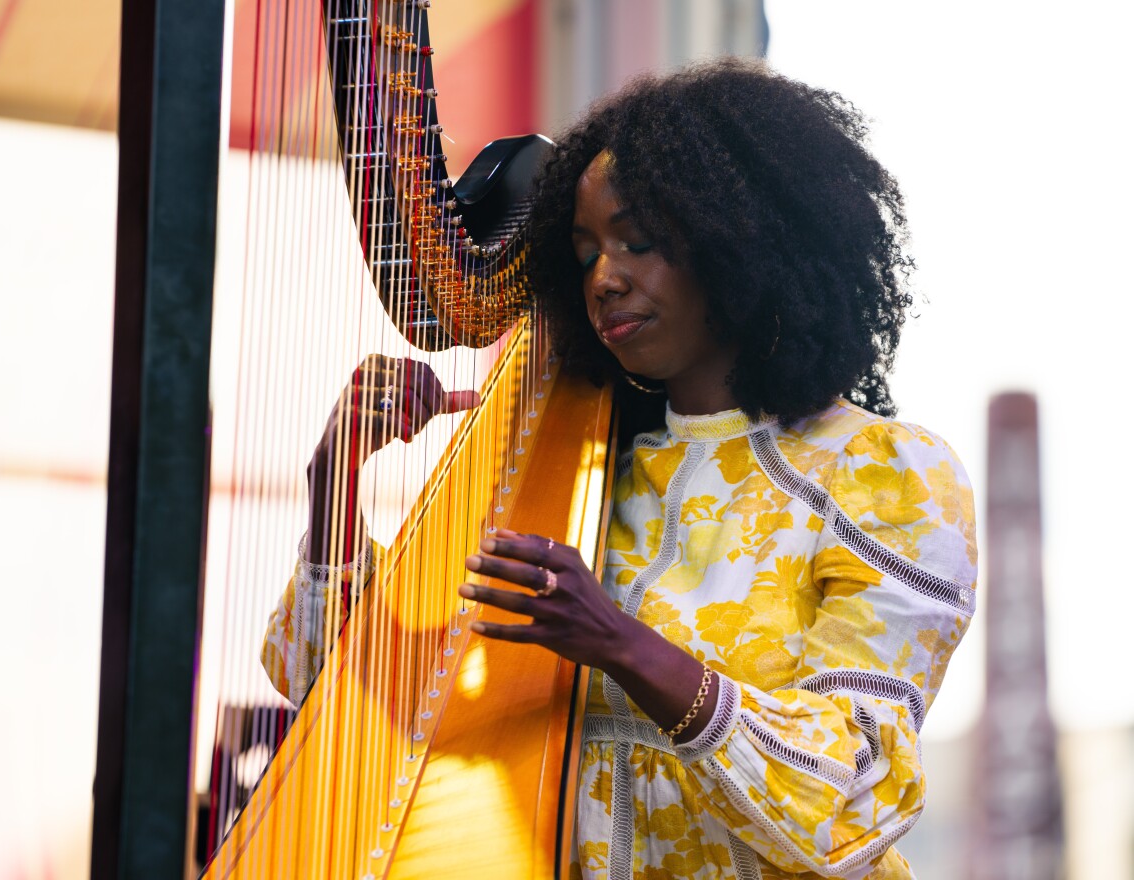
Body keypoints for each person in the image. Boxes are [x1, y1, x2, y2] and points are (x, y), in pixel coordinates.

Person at [263, 58, 977, 880]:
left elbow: (853, 801)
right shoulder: (585, 470)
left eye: (639, 242)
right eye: (584, 252)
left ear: (741, 240)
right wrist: (332, 495)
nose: (604, 279)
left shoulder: (882, 475)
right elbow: (334, 695)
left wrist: (622, 645)